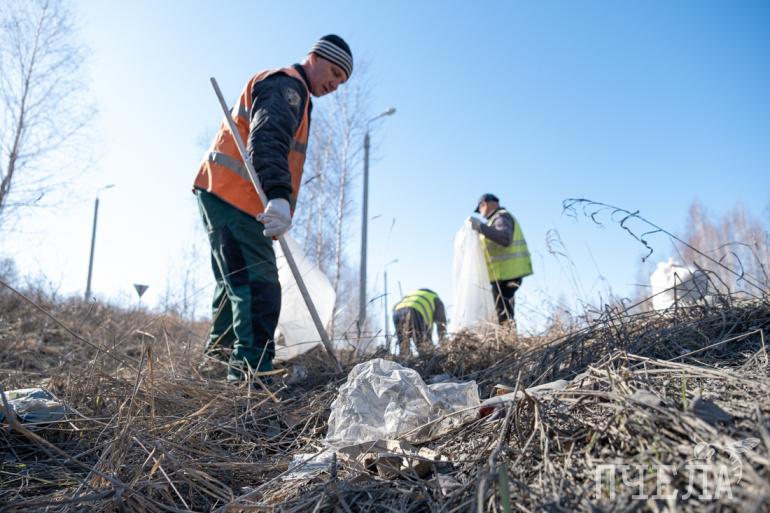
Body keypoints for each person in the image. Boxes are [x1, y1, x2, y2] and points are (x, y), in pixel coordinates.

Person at [193, 35, 353, 384]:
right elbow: (268, 137)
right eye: (334, 73)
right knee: (259, 285)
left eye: (342, 81)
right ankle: (252, 378)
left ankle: (217, 364)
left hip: (220, 190)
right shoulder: (288, 86)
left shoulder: (292, 89)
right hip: (237, 196)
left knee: (234, 283)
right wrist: (279, 194)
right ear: (315, 57)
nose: (335, 85)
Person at [468, 193, 533, 325]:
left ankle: (509, 337)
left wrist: (480, 227)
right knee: (504, 313)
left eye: (480, 209)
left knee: (503, 314)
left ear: (484, 204)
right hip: (503, 275)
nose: (481, 214)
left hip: (507, 275)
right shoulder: (494, 220)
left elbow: (504, 238)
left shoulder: (500, 217)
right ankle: (508, 336)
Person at [392, 289, 447, 356]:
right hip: (415, 312)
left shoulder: (413, 294)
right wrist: (443, 345)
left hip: (397, 312)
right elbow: (441, 324)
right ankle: (427, 361)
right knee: (425, 349)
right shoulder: (435, 298)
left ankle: (405, 360)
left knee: (404, 349)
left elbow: (394, 307)